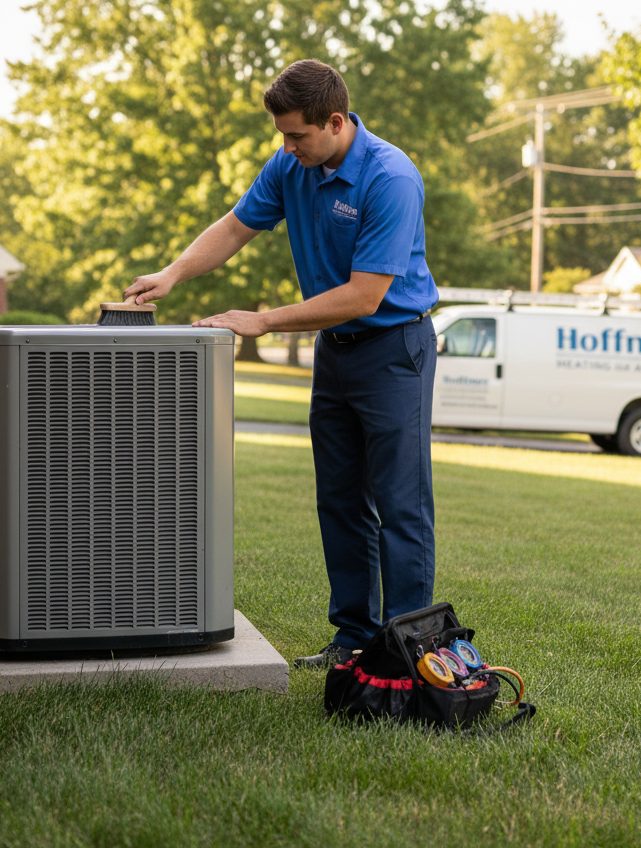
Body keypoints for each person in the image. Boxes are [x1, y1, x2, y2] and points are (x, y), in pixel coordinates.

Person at [125, 59, 438, 667]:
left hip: (394, 348)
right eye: (282, 136)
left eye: (296, 135)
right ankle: (352, 640)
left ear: (336, 122)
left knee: (401, 505)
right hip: (336, 351)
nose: (286, 146)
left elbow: (364, 295)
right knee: (341, 501)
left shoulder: (390, 177)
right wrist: (173, 272)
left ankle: (406, 650)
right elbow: (236, 226)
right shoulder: (292, 165)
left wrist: (262, 319)